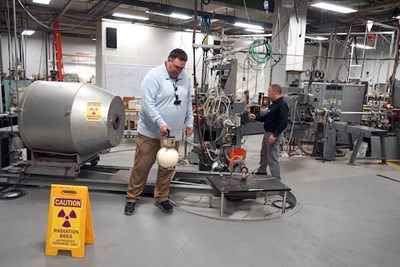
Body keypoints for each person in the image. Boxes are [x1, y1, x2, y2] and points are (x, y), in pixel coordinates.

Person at [124, 48, 194, 215]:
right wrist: (161, 123)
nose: (179, 71)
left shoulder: (184, 77)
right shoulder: (153, 77)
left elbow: (187, 101)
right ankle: (132, 198)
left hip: (173, 134)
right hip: (150, 133)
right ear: (168, 60)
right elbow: (148, 105)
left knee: (167, 167)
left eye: (182, 68)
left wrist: (189, 121)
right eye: (177, 67)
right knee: (142, 166)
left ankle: (162, 197)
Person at [248, 84, 288, 179]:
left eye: (269, 91)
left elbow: (283, 123)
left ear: (275, 92)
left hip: (273, 134)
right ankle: (262, 171)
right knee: (264, 154)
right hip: (268, 133)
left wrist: (274, 135)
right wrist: (256, 117)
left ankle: (276, 179)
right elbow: (267, 118)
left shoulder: (282, 105)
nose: (268, 93)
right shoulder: (273, 104)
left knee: (273, 158)